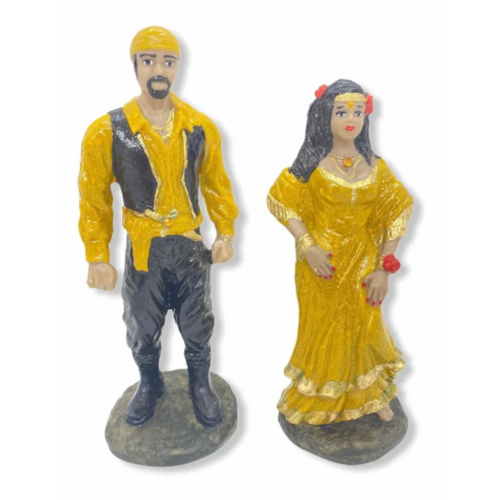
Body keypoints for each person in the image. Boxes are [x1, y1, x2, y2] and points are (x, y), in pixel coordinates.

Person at [78, 26, 238, 428]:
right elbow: (93, 198)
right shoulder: (107, 131)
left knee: (197, 323)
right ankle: (150, 383)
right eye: (148, 61)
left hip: (189, 247)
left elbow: (217, 184)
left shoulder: (199, 126)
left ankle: (200, 383)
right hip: (145, 250)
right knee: (141, 324)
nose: (159, 70)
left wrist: (226, 232)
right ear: (135, 66)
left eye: (167, 61)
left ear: (178, 67)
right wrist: (97, 255)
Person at [268, 79, 413, 425]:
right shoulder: (311, 163)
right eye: (342, 112)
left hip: (363, 264)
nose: (351, 119)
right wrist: (307, 245)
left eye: (358, 112)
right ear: (325, 115)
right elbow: (280, 200)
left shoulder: (375, 166)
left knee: (364, 327)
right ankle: (321, 399)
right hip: (322, 265)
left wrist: (383, 268)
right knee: (325, 330)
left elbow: (398, 210)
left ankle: (369, 395)